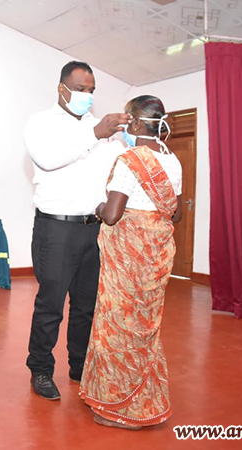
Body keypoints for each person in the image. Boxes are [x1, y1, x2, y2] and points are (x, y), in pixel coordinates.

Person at [24, 61, 131, 400]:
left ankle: (79, 365)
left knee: (86, 305)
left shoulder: (99, 129)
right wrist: (95, 133)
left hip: (94, 229)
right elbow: (48, 159)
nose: (87, 95)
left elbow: (120, 167)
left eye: (91, 90)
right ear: (62, 89)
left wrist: (128, 140)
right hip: (56, 228)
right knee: (51, 304)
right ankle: (41, 369)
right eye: (81, 89)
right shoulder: (42, 123)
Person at [78, 95, 182, 429]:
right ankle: (145, 399)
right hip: (156, 256)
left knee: (119, 326)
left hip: (128, 260)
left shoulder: (130, 160)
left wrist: (97, 207)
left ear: (136, 123)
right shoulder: (172, 160)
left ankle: (122, 408)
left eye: (127, 121)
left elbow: (112, 215)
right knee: (145, 327)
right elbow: (176, 213)